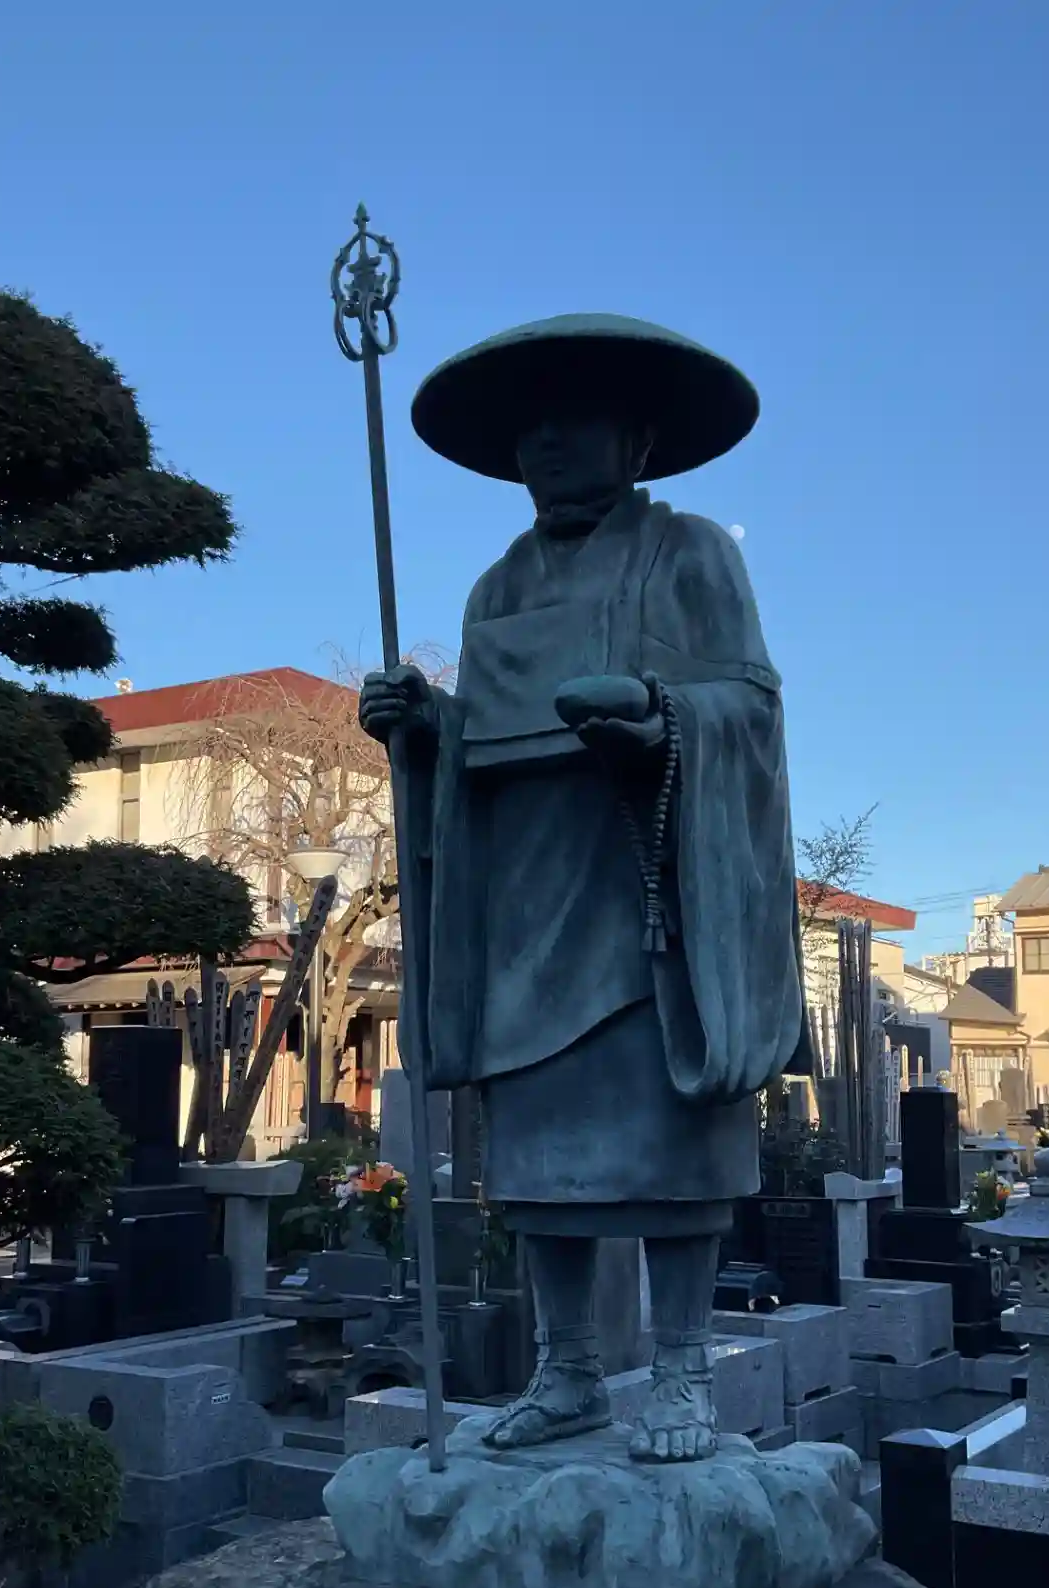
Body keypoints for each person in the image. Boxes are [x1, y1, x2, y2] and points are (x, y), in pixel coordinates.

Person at [360, 314, 807, 1464]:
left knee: (668, 1139)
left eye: (575, 420)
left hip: (649, 884)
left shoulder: (690, 553)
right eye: (531, 428)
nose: (548, 442)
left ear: (638, 438)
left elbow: (750, 708)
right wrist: (420, 728)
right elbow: (472, 739)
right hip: (527, 893)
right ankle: (566, 1370)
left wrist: (660, 715)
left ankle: (683, 1368)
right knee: (540, 1153)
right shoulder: (497, 587)